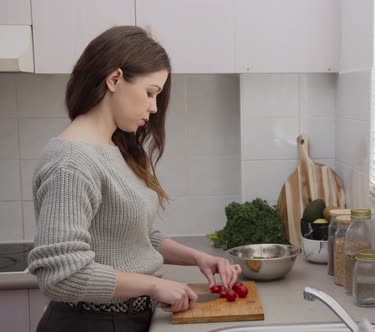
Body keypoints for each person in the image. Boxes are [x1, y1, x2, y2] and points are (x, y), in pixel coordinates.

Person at [27, 25, 241, 332]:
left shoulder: (111, 148)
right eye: (150, 93)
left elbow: (130, 235)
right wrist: (152, 286)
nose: (154, 108)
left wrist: (198, 258)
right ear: (114, 79)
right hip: (94, 323)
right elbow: (61, 276)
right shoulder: (72, 163)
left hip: (126, 318)